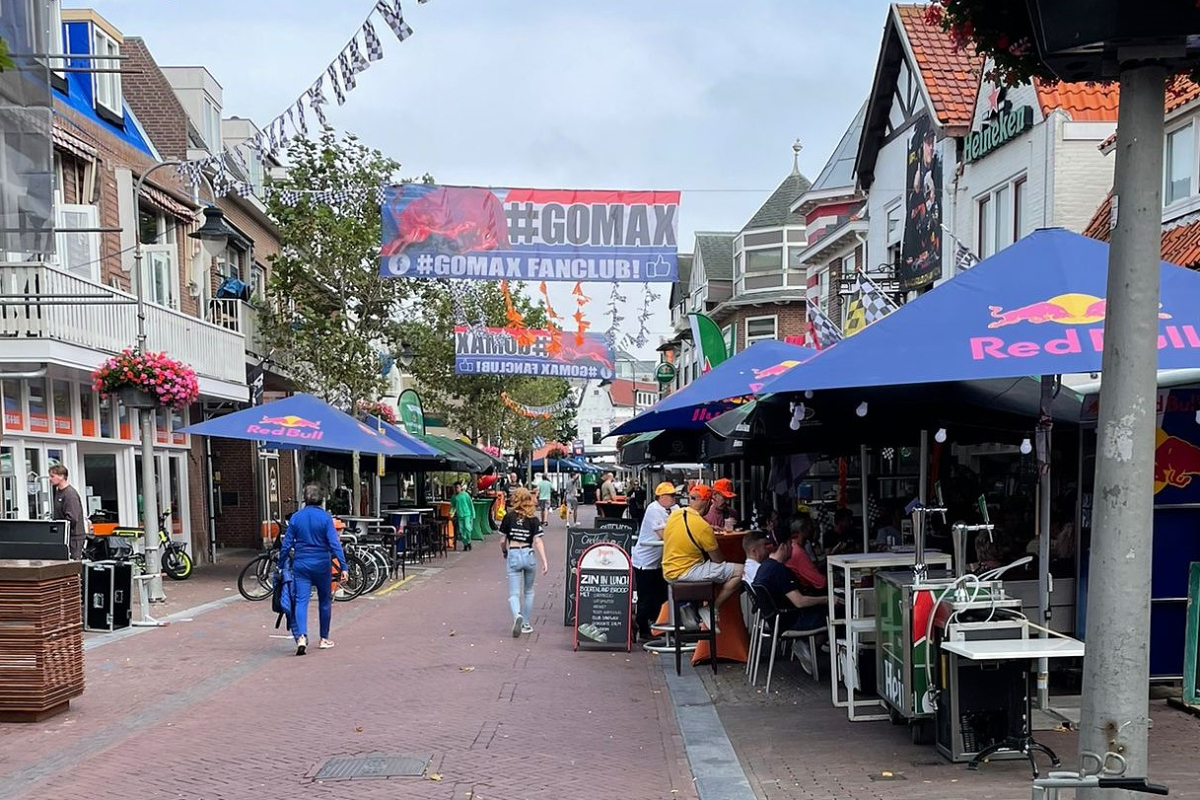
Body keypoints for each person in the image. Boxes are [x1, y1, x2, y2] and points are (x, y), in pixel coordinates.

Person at [279, 482, 349, 655]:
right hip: (322, 565)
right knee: (324, 601)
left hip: (301, 564)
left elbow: (286, 544)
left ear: (305, 499)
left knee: (301, 600)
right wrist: (344, 566)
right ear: (321, 499)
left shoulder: (296, 517)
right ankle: (324, 638)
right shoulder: (326, 518)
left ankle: (301, 637)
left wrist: (281, 564)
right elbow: (335, 544)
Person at [662, 485, 744, 630]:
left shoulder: (675, 514)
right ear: (707, 502)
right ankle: (712, 608)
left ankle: (690, 605)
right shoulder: (702, 527)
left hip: (668, 571)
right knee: (741, 571)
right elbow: (718, 560)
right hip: (687, 572)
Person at [754, 532, 829, 633]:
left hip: (777, 620)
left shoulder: (763, 567)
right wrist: (827, 600)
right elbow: (799, 602)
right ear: (783, 546)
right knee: (835, 613)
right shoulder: (778, 570)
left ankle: (805, 646)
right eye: (790, 544)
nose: (792, 548)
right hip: (791, 621)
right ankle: (808, 646)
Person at [631, 482, 678, 641]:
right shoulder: (653, 509)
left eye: (674, 495)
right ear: (661, 497)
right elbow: (663, 535)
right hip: (645, 561)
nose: (674, 498)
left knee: (661, 596)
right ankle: (641, 626)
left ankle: (657, 626)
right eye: (671, 495)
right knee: (646, 597)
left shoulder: (675, 509)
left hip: (660, 561)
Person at [500, 487, 548, 637]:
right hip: (528, 553)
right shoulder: (533, 519)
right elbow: (538, 541)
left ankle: (517, 616)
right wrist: (544, 561)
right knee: (529, 592)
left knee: (514, 593)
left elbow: (502, 540)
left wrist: (504, 551)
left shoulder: (508, 517)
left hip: (514, 553)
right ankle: (526, 623)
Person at [49, 465, 86, 560]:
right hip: (63, 535)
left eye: (52, 476)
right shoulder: (58, 492)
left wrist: (60, 527)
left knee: (72, 564)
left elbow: (72, 518)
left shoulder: (70, 494)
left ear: (61, 476)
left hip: (74, 537)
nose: (50, 479)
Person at [783, 516, 825, 593]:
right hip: (809, 593)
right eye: (810, 527)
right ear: (803, 530)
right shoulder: (798, 552)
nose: (813, 530)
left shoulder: (793, 547)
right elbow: (821, 582)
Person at [452, 481, 474, 552]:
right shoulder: (454, 497)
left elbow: (470, 504)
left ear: (461, 488)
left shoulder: (465, 495)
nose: (456, 489)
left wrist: (472, 514)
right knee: (461, 531)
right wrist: (451, 512)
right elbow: (453, 506)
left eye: (457, 487)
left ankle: (469, 541)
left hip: (467, 514)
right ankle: (465, 543)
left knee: (467, 528)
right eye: (455, 488)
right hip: (460, 515)